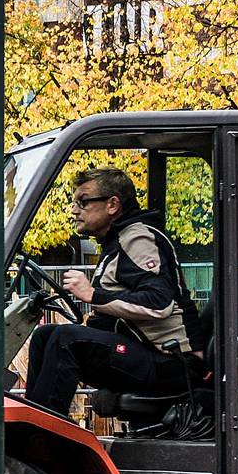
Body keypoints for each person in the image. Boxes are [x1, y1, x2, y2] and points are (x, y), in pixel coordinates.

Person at [21, 167, 197, 418]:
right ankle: (34, 424)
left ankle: (41, 440)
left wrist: (94, 295)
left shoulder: (137, 239)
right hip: (146, 351)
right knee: (45, 336)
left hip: (169, 360)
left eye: (83, 202)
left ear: (112, 204)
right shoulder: (116, 241)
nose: (73, 210)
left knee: (65, 340)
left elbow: (159, 303)